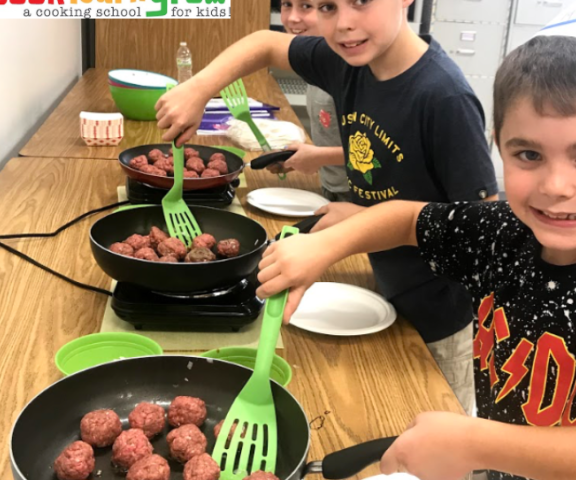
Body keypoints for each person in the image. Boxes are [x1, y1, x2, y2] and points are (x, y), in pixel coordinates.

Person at [253, 2, 576, 479]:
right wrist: (324, 248)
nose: (556, 186)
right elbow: (407, 219)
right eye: (529, 154)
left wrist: (477, 441)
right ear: (498, 145)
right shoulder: (501, 233)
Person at [156, 0, 498, 416]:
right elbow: (265, 43)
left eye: (360, 3)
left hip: (440, 321)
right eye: (328, 7)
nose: (343, 25)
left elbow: (480, 232)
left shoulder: (444, 98)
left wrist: (361, 224)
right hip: (385, 282)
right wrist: (199, 86)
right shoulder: (348, 62)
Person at [274, 0, 352, 202]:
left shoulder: (351, 68)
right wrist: (302, 157)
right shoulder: (316, 62)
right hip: (330, 189)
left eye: (306, 6)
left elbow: (381, 151)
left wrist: (319, 157)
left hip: (358, 199)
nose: (292, 17)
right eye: (286, 5)